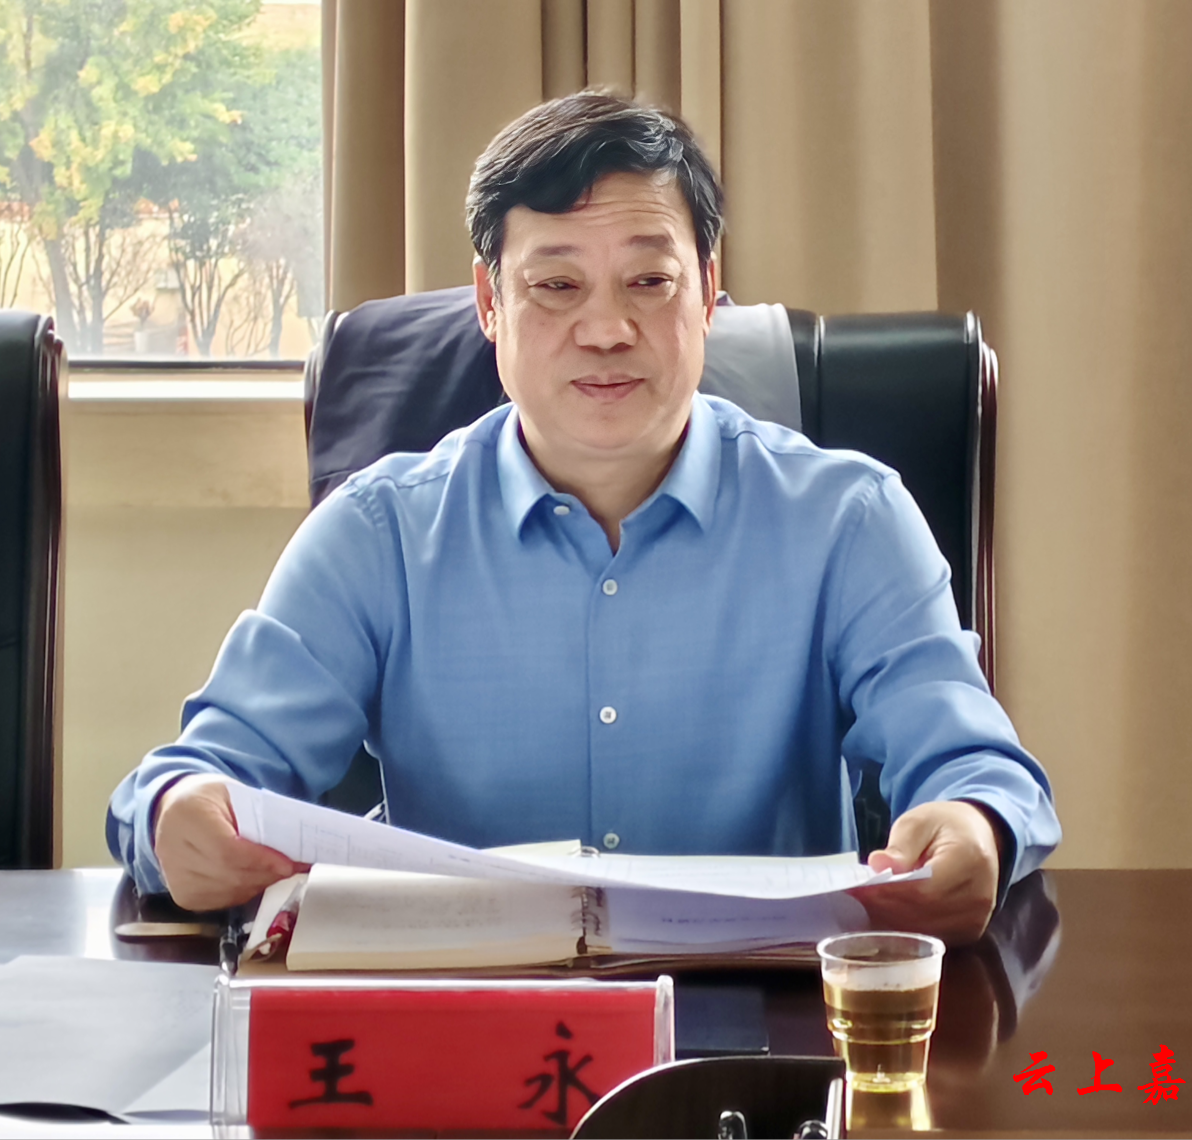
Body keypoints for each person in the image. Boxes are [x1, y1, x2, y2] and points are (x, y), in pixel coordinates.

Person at [108, 92, 1060, 944]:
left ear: (708, 292)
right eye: (557, 286)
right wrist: (180, 815)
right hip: (465, 1023)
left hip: (768, 1029)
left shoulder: (848, 519)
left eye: (649, 281)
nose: (606, 330)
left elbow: (976, 766)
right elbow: (196, 777)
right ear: (490, 303)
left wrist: (972, 824)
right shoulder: (378, 535)